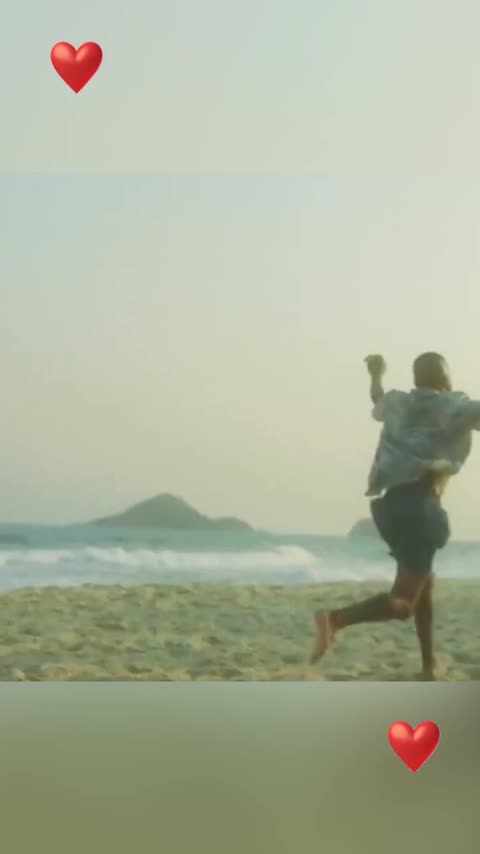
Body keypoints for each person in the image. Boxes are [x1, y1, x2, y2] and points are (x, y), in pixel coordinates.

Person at [310, 352, 480, 680]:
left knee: (423, 584)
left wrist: (376, 373)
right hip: (420, 507)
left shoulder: (397, 402)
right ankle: (335, 620)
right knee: (403, 603)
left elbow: (377, 398)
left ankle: (428, 665)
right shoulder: (455, 405)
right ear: (444, 379)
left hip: (390, 507)